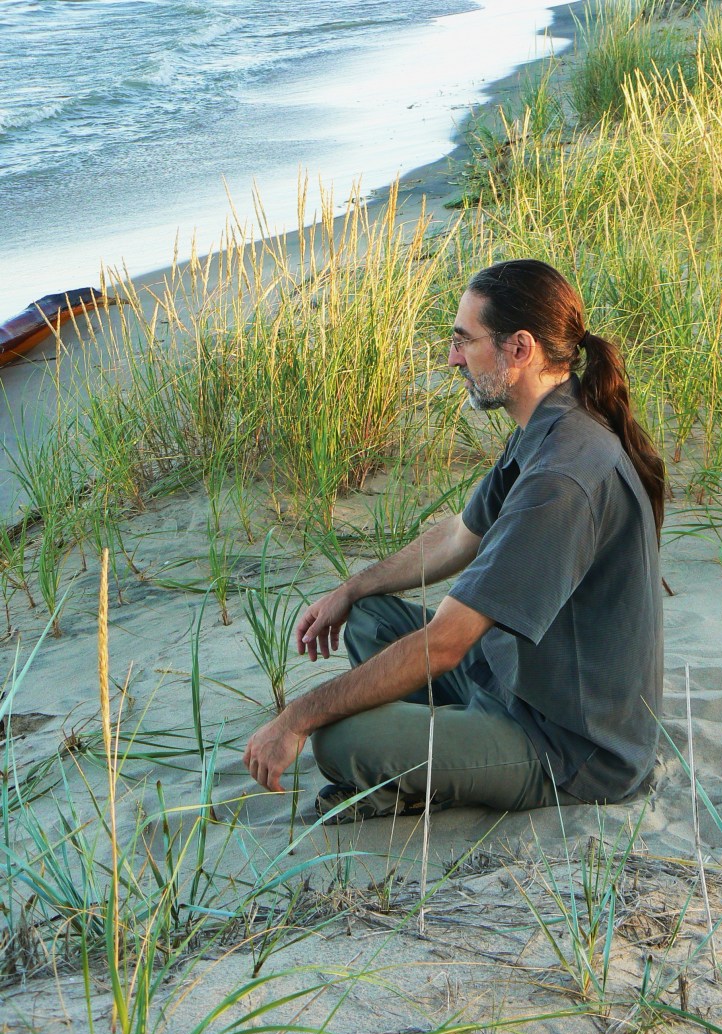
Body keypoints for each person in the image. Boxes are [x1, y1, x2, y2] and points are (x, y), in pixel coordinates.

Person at [244, 259, 665, 820]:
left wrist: (297, 716)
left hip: (567, 746)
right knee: (370, 614)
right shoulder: (548, 426)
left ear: (520, 349)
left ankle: (425, 773)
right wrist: (351, 587)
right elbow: (456, 538)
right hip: (509, 679)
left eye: (464, 341)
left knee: (337, 740)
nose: (452, 358)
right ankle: (427, 760)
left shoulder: (564, 476)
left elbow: (446, 642)